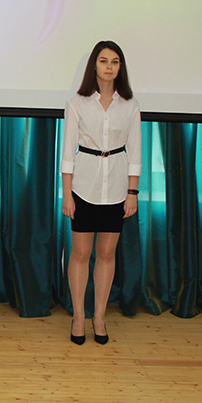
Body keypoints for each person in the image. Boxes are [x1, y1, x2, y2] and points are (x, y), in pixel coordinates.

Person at [61, 40, 141, 345]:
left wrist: (132, 192)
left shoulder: (129, 104)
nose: (109, 67)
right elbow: (67, 152)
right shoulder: (77, 103)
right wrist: (67, 194)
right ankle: (78, 317)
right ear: (94, 65)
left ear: (121, 67)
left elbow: (135, 152)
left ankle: (99, 317)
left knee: (107, 254)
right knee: (81, 254)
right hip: (83, 186)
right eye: (104, 60)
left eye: (115, 61)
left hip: (117, 188)